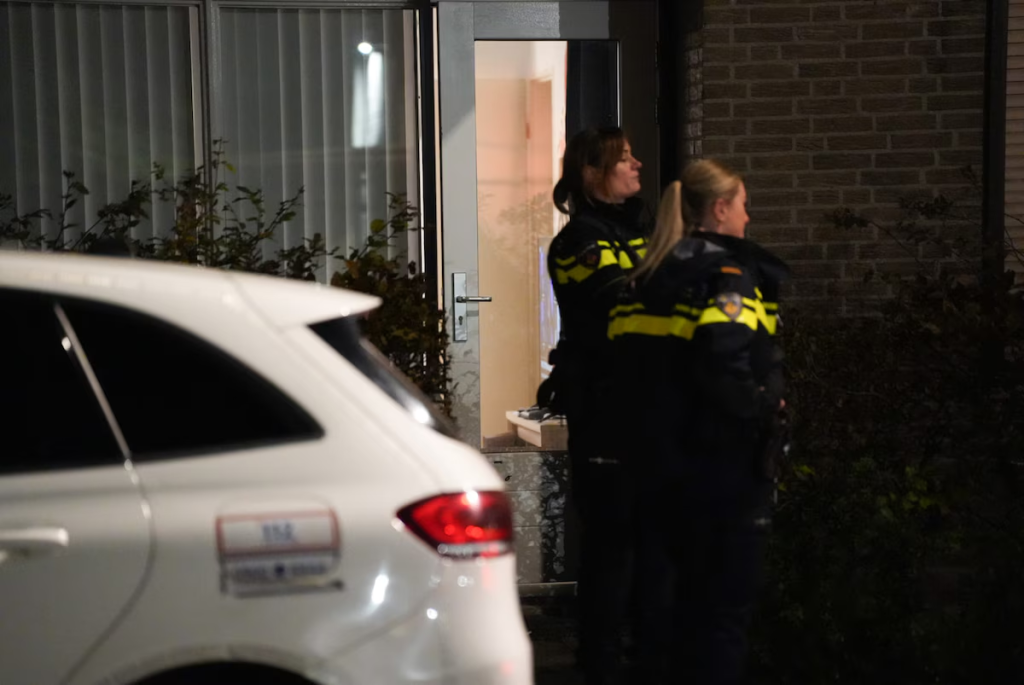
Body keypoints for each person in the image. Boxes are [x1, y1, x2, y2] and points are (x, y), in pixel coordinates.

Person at [608, 159, 789, 684]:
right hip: (721, 471)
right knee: (720, 618)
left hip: (653, 469)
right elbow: (725, 363)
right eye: (744, 206)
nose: (748, 218)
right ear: (720, 208)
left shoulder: (642, 277)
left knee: (659, 616)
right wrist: (765, 407)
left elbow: (621, 369)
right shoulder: (725, 277)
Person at [539, 126, 668, 685]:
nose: (637, 165)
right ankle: (601, 663)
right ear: (592, 173)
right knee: (612, 543)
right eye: (624, 158)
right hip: (607, 410)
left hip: (653, 410)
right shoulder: (578, 243)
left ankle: (648, 656)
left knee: (653, 540)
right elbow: (626, 309)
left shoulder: (641, 230)